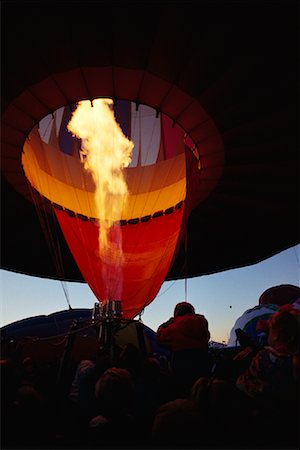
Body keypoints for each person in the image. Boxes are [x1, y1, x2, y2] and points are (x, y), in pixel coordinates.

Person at [156, 302, 211, 393]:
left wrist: (165, 324)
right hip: (202, 366)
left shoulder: (174, 327)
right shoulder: (202, 324)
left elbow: (159, 338)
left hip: (181, 369)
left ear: (177, 312)